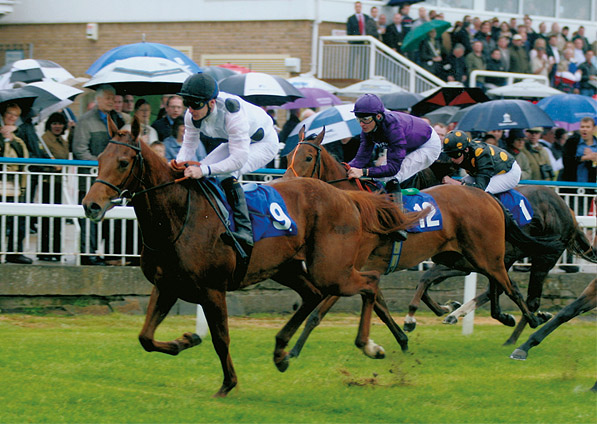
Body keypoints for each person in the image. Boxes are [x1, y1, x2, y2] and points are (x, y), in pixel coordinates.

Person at [176, 73, 279, 262]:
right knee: (204, 168)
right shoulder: (192, 114)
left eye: (196, 104)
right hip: (237, 142)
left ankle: (244, 230)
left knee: (224, 172)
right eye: (187, 103)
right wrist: (177, 165)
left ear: (212, 103)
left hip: (264, 143)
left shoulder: (233, 112)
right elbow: (188, 147)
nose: (191, 109)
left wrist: (203, 170)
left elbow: (238, 160)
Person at [346, 93, 442, 240]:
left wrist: (364, 172)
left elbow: (393, 168)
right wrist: (346, 168)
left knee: (392, 176)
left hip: (428, 145)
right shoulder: (368, 128)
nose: (361, 124)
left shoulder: (393, 127)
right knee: (380, 173)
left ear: (378, 117)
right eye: (358, 119)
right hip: (411, 141)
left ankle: (399, 222)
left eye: (365, 120)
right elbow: (361, 158)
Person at [72, 84, 124, 266]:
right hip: (91, 178)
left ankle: (110, 254)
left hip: (112, 182)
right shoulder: (85, 121)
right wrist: (102, 165)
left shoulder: (121, 120)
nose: (111, 101)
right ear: (98, 99)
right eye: (107, 98)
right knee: (91, 218)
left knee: (113, 216)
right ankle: (89, 254)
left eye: (113, 98)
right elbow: (79, 149)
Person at [441, 130, 522, 194]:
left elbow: (480, 188)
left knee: (484, 193)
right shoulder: (463, 152)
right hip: (483, 171)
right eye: (449, 155)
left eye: (455, 155)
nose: (452, 159)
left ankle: (506, 214)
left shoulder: (481, 154)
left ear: (466, 150)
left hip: (508, 172)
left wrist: (455, 182)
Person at [0, 103, 32, 264]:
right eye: (9, 114)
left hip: (14, 183)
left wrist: (12, 139)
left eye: (15, 115)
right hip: (1, 181)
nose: (12, 117)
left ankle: (15, 251)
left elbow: (22, 156)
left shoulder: (18, 136)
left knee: (17, 218)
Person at [38, 112, 70, 261]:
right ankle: (44, 251)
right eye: (54, 124)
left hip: (58, 183)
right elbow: (40, 159)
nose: (58, 126)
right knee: (46, 219)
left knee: (57, 218)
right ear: (49, 125)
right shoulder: (44, 140)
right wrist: (51, 165)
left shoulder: (63, 141)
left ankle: (56, 251)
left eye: (60, 124)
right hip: (47, 183)